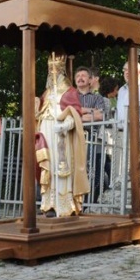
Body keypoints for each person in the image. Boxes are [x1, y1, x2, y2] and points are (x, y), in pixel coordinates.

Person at [35, 52, 89, 217]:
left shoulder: (70, 91)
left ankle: (64, 204)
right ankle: (49, 204)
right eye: (50, 71)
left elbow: (75, 114)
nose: (52, 74)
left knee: (62, 167)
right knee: (49, 166)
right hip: (46, 132)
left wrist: (66, 124)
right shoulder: (46, 93)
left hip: (61, 135)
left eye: (55, 70)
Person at [74, 66, 107, 204]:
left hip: (90, 138)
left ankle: (86, 202)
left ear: (90, 80)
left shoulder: (97, 97)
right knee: (72, 169)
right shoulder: (70, 96)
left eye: (83, 75)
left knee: (89, 170)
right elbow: (65, 113)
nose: (80, 78)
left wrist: (78, 114)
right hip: (72, 136)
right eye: (77, 76)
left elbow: (101, 115)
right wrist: (89, 111)